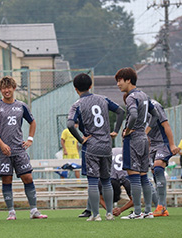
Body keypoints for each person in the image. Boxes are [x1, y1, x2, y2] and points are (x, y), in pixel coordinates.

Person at [0, 76, 47, 220]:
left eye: (9, 87)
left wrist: (29, 139)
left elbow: (32, 122)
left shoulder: (22, 106)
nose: (6, 90)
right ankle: (11, 212)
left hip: (19, 149)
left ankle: (34, 210)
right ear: (0, 90)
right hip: (3, 151)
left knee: (27, 177)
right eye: (3, 88)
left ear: (14, 88)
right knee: (6, 179)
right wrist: (1, 144)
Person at [67, 73, 125, 221]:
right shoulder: (103, 99)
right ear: (91, 85)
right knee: (106, 180)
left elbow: (69, 125)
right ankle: (109, 213)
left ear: (76, 89)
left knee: (93, 181)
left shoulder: (77, 105)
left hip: (91, 146)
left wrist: (81, 139)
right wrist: (115, 131)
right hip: (106, 145)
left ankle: (95, 214)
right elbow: (120, 111)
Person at [115, 67, 159, 220]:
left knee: (133, 176)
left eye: (120, 80)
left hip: (133, 139)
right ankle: (148, 211)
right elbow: (156, 114)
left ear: (128, 80)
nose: (118, 84)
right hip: (143, 139)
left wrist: (127, 130)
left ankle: (138, 212)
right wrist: (145, 130)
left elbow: (133, 114)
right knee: (143, 176)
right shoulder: (144, 95)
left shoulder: (132, 97)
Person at [146, 100, 180, 217]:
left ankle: (160, 206)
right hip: (152, 145)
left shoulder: (155, 106)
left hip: (163, 143)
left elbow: (166, 125)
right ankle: (162, 208)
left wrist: (172, 145)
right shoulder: (137, 111)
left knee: (158, 166)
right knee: (154, 171)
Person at [78, 148, 133, 218]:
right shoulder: (125, 178)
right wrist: (112, 210)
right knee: (94, 188)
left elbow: (134, 200)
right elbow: (134, 200)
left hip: (107, 154)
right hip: (110, 156)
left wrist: (117, 210)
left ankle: (90, 211)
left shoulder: (125, 178)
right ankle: (89, 210)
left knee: (93, 186)